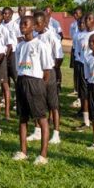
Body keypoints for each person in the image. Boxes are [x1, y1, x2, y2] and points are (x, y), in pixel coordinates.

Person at [12, 15, 52, 165]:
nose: (22, 26)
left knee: (41, 118)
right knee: (22, 118)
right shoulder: (20, 46)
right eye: (21, 24)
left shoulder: (40, 45)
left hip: (35, 82)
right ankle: (23, 151)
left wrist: (39, 85)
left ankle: (43, 155)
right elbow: (18, 67)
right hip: (22, 81)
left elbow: (47, 71)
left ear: (34, 27)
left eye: (25, 24)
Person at [32, 12, 63, 145]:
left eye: (38, 23)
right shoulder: (33, 36)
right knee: (37, 102)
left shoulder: (52, 36)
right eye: (34, 23)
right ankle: (37, 131)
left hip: (49, 72)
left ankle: (56, 133)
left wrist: (51, 69)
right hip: (36, 73)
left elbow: (59, 57)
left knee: (53, 104)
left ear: (45, 23)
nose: (35, 26)